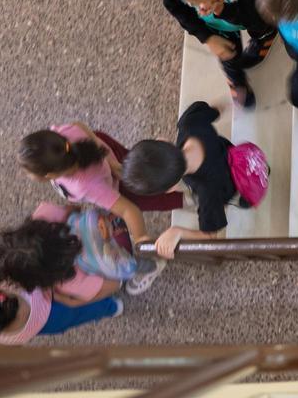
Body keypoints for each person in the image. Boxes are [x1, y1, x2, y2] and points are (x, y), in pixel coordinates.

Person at [18, 122, 179, 294]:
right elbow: (79, 125)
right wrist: (109, 158)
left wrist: (141, 239)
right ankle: (162, 159)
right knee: (134, 166)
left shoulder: (85, 186)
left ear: (49, 175)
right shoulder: (59, 137)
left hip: (111, 185)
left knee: (151, 196)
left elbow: (129, 210)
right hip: (104, 153)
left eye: (28, 172)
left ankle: (181, 186)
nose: (27, 174)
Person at [121, 101, 255, 258]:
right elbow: (213, 110)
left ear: (171, 189)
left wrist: (177, 231)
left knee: (241, 197)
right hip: (236, 153)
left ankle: (248, 196)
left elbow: (210, 236)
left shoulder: (207, 193)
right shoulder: (189, 122)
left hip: (234, 183)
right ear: (162, 140)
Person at [162, 0, 277, 109]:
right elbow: (176, 9)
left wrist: (223, 10)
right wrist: (207, 37)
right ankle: (237, 81)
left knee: (263, 30)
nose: (204, 9)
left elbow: (258, 19)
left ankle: (264, 41)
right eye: (195, 4)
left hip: (247, 15)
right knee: (226, 53)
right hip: (220, 28)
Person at [0, 218, 123, 302]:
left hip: (122, 257)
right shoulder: (44, 214)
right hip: (109, 219)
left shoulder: (72, 283)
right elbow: (72, 207)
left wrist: (70, 301)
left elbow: (115, 285)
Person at [0, 281, 121, 346]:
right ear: (0, 291)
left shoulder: (2, 337)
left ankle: (112, 308)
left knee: (83, 314)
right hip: (55, 303)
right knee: (78, 299)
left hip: (53, 324)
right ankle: (108, 294)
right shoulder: (16, 290)